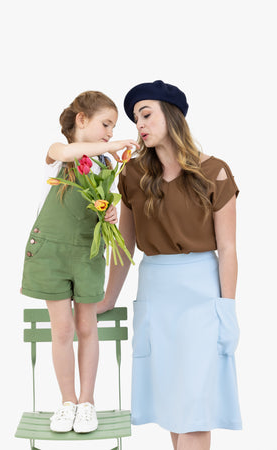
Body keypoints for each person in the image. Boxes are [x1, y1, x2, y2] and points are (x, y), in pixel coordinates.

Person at [97, 80, 242, 450]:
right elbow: (125, 247)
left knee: (195, 409)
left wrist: (227, 308)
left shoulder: (215, 172)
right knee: (173, 407)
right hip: (157, 293)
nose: (139, 125)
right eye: (135, 119)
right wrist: (108, 298)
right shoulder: (133, 175)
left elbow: (227, 248)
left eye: (146, 114)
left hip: (200, 294)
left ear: (172, 116)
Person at [21, 90, 139, 434]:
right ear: (81, 120)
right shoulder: (58, 154)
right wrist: (112, 146)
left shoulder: (103, 165)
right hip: (50, 254)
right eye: (105, 124)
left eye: (113, 127)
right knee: (62, 331)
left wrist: (108, 212)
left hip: (87, 255)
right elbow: (72, 151)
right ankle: (67, 402)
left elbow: (98, 204)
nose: (109, 133)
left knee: (87, 328)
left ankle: (87, 403)